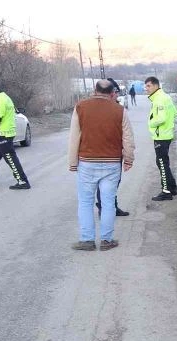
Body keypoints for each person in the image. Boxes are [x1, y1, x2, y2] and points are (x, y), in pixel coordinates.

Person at [68, 79, 135, 251]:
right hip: (112, 164)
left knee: (85, 202)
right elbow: (127, 138)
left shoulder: (80, 107)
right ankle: (106, 240)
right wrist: (128, 159)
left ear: (94, 90)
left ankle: (87, 240)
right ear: (112, 92)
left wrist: (73, 162)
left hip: (87, 162)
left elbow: (74, 136)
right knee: (108, 202)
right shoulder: (120, 110)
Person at [95, 77, 130, 217]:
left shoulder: (116, 107)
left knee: (113, 181)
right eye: (115, 91)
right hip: (105, 150)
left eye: (117, 91)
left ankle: (111, 206)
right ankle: (105, 207)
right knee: (105, 182)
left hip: (113, 149)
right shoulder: (102, 108)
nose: (116, 94)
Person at [145, 76, 177, 201]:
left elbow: (161, 118)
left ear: (155, 85)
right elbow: (175, 113)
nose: (146, 89)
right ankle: (173, 188)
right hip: (167, 134)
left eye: (148, 86)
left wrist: (150, 122)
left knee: (161, 163)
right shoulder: (166, 97)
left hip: (161, 136)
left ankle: (166, 192)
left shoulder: (159, 99)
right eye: (146, 86)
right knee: (163, 162)